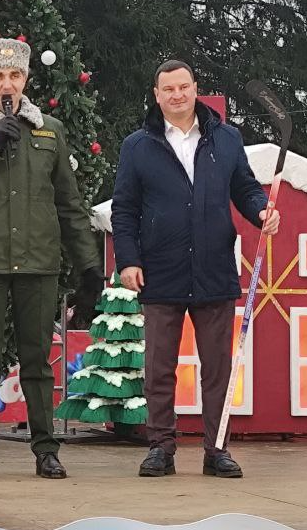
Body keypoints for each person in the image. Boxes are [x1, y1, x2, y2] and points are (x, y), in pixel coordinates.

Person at [0, 38, 104, 481]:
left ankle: (46, 450)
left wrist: (89, 265)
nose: (6, 84)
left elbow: (68, 203)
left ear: (25, 78)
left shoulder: (49, 130)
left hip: (37, 261)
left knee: (37, 360)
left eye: (14, 75)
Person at [111, 59, 279, 479]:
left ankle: (216, 450)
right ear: (157, 95)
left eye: (184, 87)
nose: (178, 95)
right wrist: (128, 260)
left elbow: (245, 188)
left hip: (214, 268)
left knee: (217, 369)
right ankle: (160, 448)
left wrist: (261, 211)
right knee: (159, 368)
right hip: (159, 270)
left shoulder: (226, 138)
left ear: (195, 88)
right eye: (168, 89)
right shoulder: (137, 145)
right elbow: (125, 209)